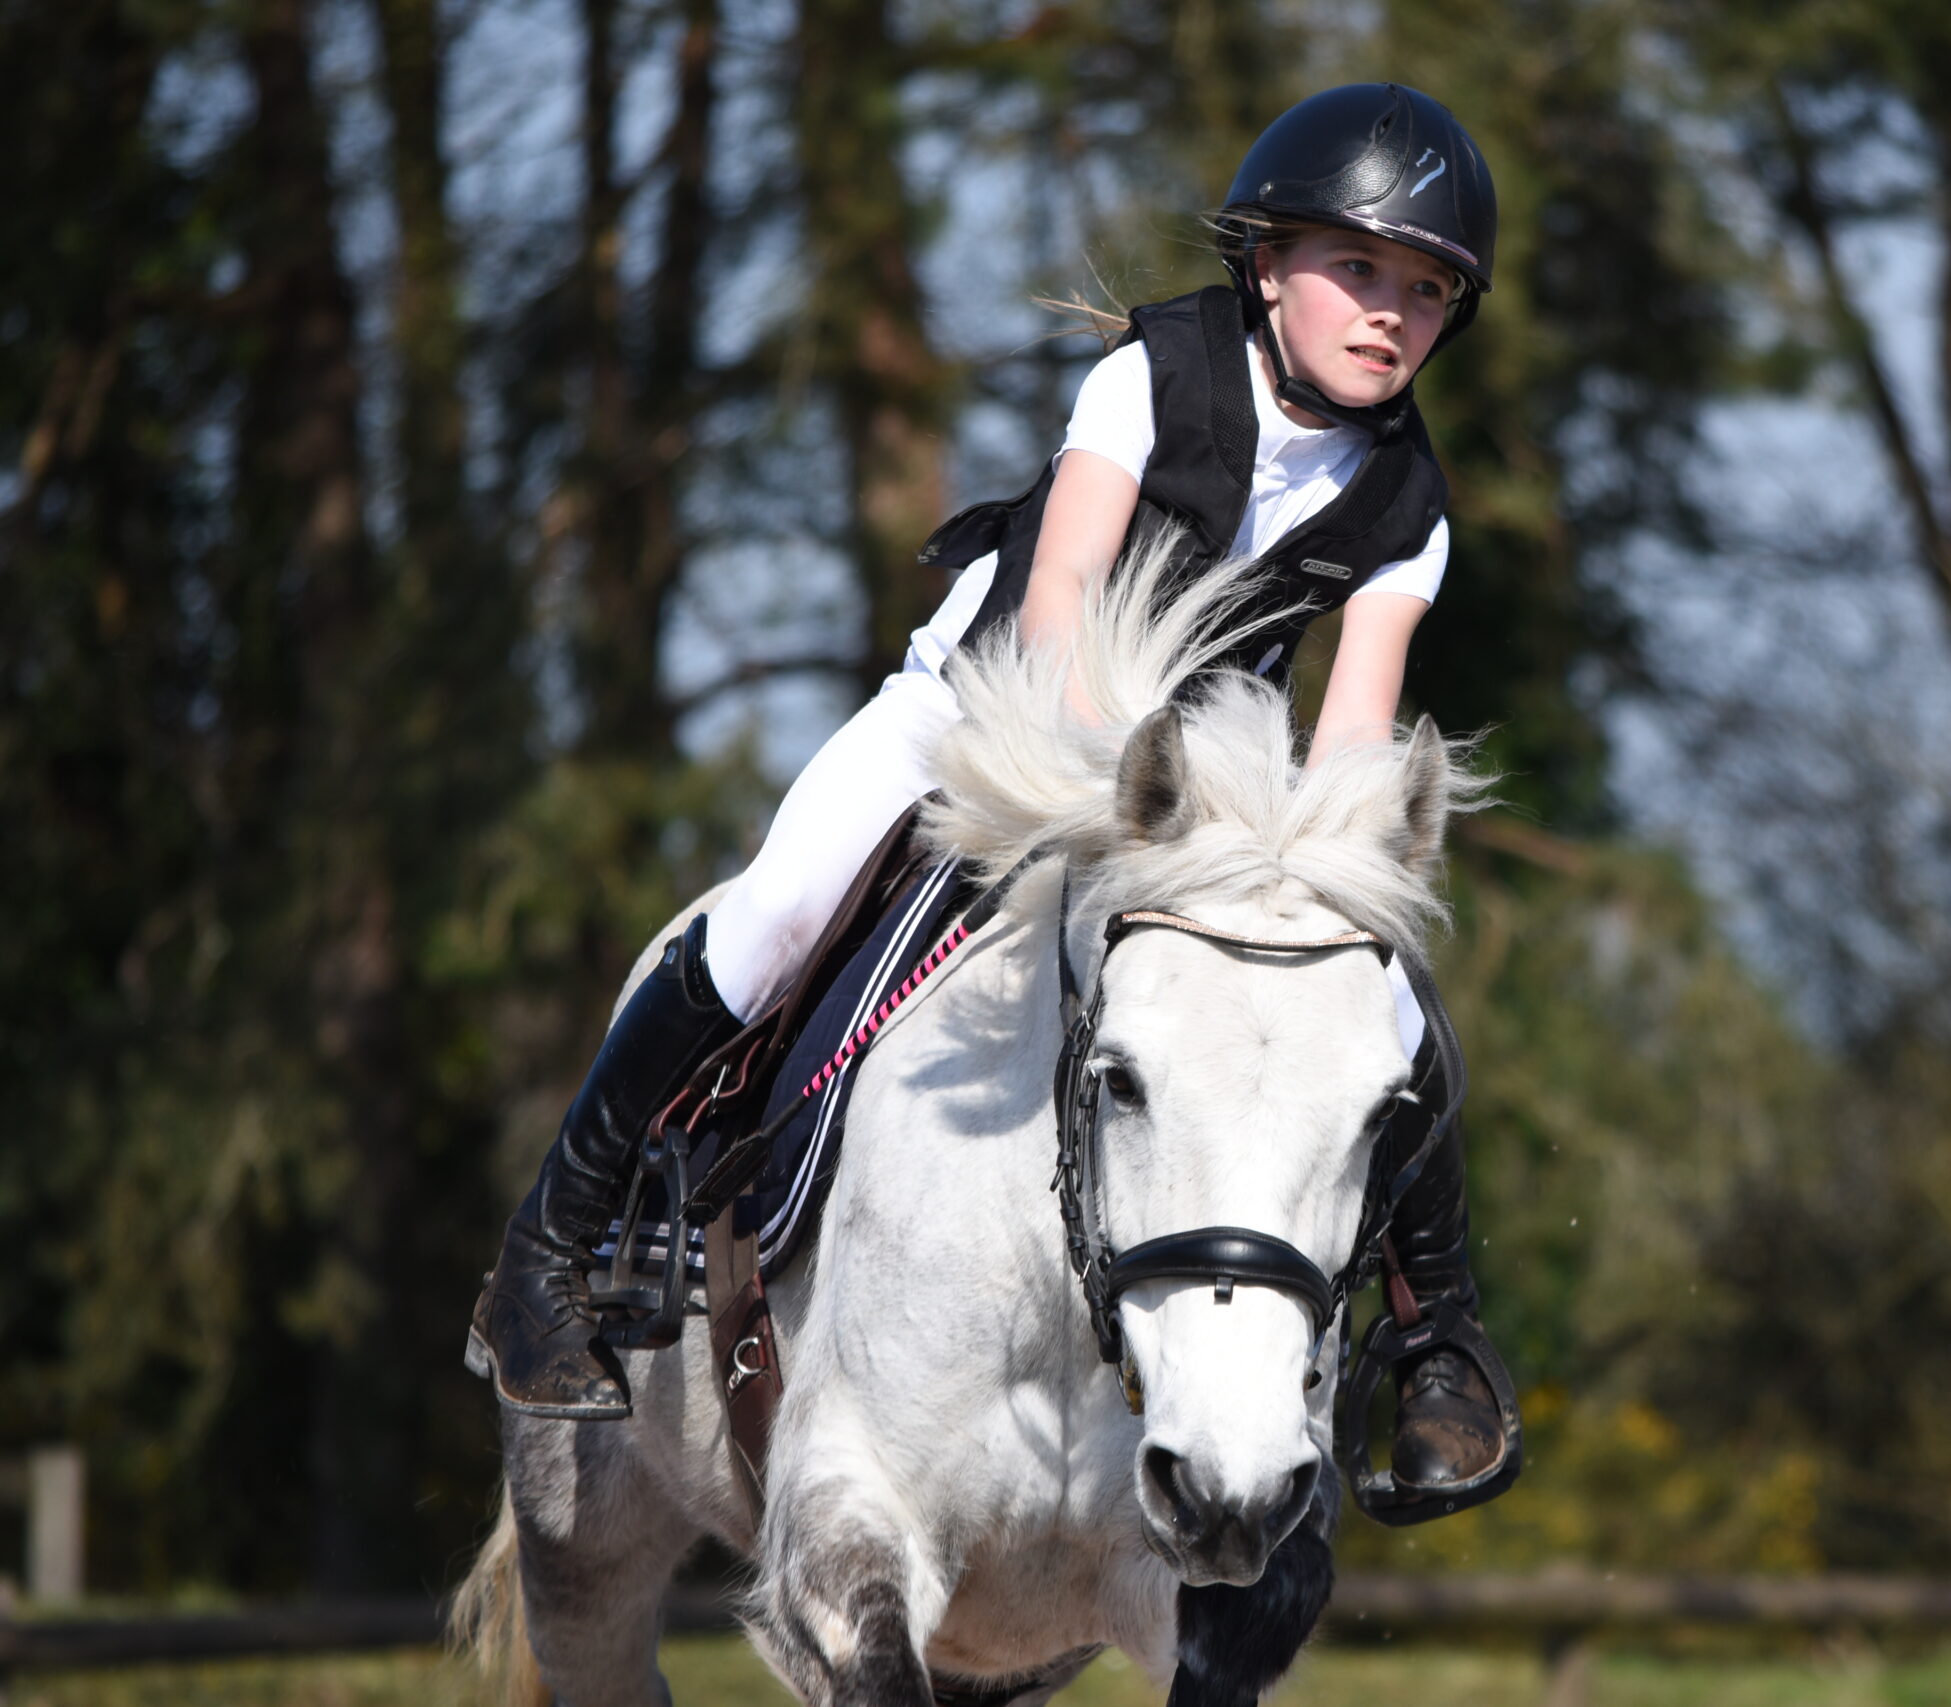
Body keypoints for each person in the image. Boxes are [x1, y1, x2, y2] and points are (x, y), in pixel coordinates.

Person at [467, 82, 1509, 1496]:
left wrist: (1313, 881)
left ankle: (1437, 1338)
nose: (1393, 310)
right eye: (1362, 269)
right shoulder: (1152, 374)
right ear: (1265, 263)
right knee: (778, 908)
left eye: (1428, 290)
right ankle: (552, 1251)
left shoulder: (1412, 510)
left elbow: (1350, 735)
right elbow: (1057, 612)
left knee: (1382, 1003)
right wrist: (1114, 788)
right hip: (987, 723)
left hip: (1195, 812)